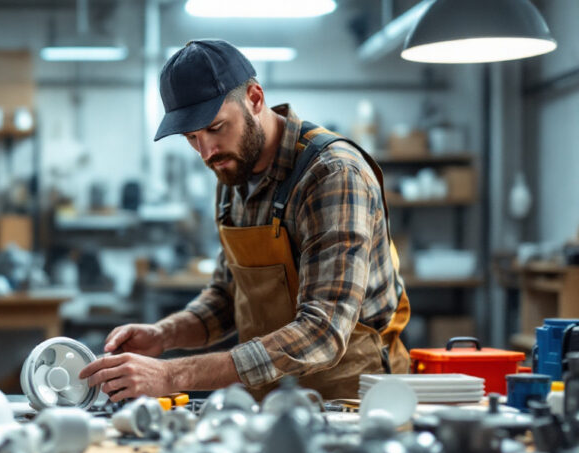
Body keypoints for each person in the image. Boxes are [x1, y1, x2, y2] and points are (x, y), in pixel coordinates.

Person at [80, 39, 411, 401]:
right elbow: (227, 297)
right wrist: (164, 335)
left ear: (255, 98)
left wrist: (174, 373)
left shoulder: (331, 175)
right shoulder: (234, 173)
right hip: (271, 401)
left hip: (352, 404)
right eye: (192, 137)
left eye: (216, 127)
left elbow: (323, 332)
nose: (206, 152)